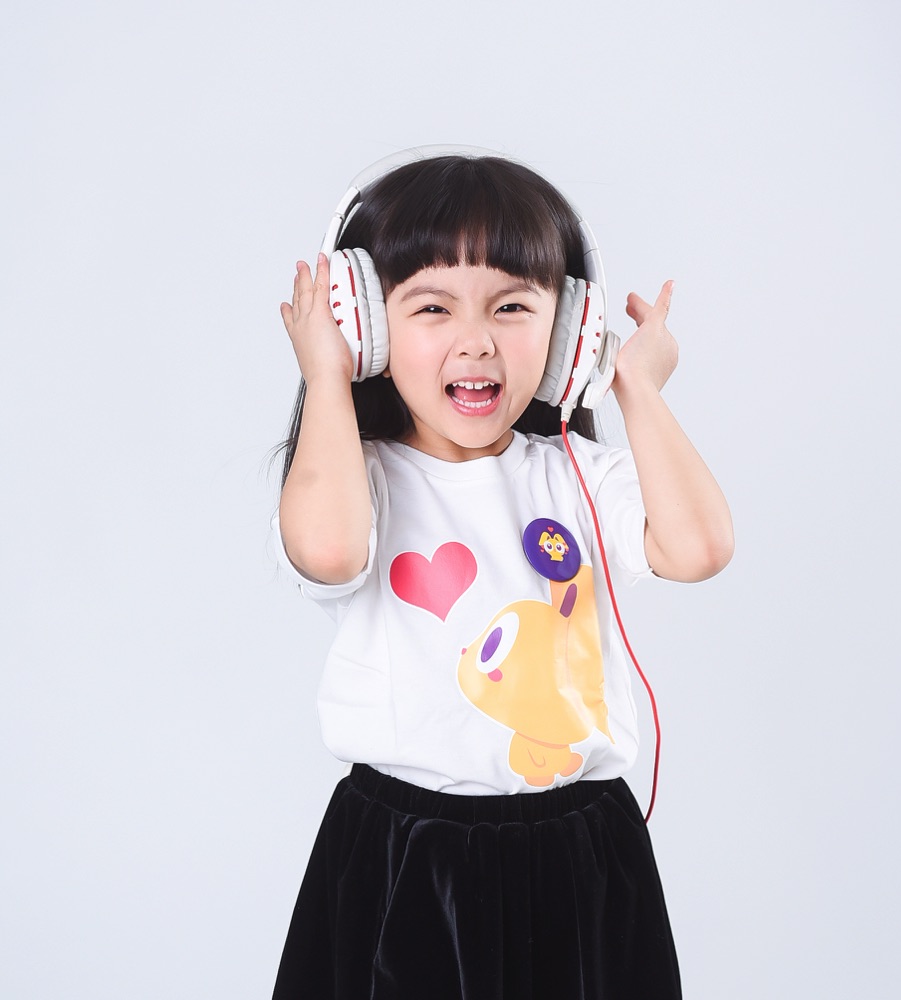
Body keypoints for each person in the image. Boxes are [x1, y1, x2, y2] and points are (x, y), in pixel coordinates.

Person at [270, 147, 733, 1000]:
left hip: (582, 850)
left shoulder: (578, 473)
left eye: (514, 307)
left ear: (568, 334)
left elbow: (699, 547)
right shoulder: (358, 477)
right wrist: (325, 377)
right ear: (367, 326)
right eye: (431, 307)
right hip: (404, 854)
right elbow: (329, 551)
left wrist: (639, 390)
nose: (475, 341)